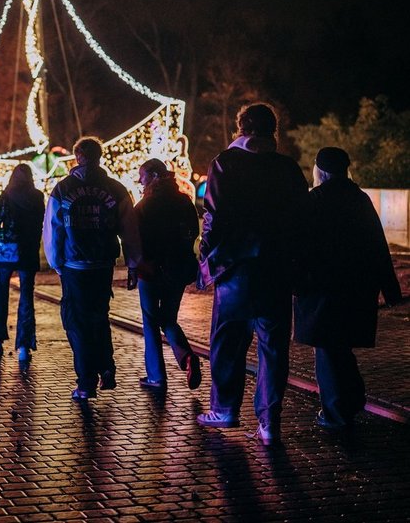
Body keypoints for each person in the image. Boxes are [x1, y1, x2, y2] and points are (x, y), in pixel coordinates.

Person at [196, 103, 309, 446]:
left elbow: (214, 216)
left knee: (228, 343)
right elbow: (302, 220)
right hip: (277, 271)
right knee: (273, 349)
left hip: (236, 270)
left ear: (241, 128)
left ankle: (225, 408)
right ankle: (269, 423)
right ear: (273, 130)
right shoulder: (287, 168)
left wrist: (206, 256)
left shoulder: (225, 164)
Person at [294, 147, 403, 429]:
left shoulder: (313, 201)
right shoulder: (360, 199)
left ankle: (336, 413)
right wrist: (390, 290)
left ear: (320, 171)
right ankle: (351, 401)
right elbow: (378, 246)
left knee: (328, 351)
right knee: (340, 348)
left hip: (322, 289)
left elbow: (299, 248)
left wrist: (293, 282)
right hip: (357, 288)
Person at [43, 137, 141, 400]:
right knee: (99, 315)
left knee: (77, 322)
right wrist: (133, 263)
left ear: (77, 158)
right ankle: (106, 367)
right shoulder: (116, 189)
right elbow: (129, 230)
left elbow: (52, 230)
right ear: (100, 156)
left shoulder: (62, 189)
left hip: (74, 265)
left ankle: (86, 381)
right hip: (103, 263)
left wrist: (56, 263)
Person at [131, 158, 202, 390]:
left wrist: (136, 266)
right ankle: (186, 356)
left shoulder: (144, 206)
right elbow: (193, 232)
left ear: (152, 176)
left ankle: (156, 376)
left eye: (142, 176)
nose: (140, 181)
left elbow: (134, 239)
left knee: (151, 322)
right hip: (178, 269)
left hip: (150, 271)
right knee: (168, 318)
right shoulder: (184, 202)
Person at [0, 163, 46, 361]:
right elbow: (40, 223)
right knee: (26, 296)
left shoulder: (7, 195)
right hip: (28, 250)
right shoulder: (37, 197)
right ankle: (24, 345)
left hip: (6, 251)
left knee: (1, 293)